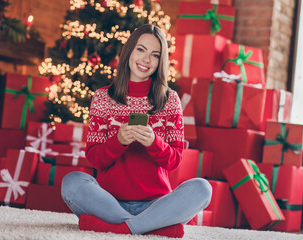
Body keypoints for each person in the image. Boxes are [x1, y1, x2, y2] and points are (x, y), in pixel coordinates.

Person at [61, 24, 212, 238]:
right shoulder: (103, 98)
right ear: (129, 51)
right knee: (72, 182)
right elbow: (94, 159)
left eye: (155, 55)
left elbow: (175, 161)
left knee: (203, 189)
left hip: (156, 204)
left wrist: (154, 143)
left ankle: (121, 229)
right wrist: (118, 141)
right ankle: (153, 227)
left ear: (161, 61)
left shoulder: (170, 100)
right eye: (140, 50)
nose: (146, 60)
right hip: (108, 201)